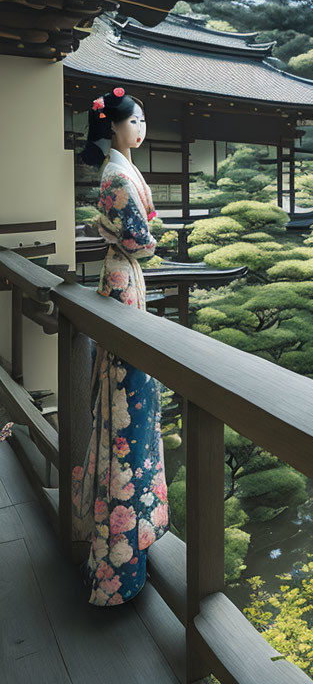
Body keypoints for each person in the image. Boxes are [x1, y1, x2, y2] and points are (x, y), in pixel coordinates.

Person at [70, 86, 169, 606]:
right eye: (135, 121)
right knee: (128, 413)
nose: (142, 127)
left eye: (145, 119)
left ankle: (120, 554)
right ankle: (121, 566)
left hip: (119, 278)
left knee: (121, 411)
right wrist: (150, 238)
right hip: (125, 279)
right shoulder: (118, 175)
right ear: (114, 127)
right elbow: (141, 241)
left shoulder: (114, 172)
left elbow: (125, 234)